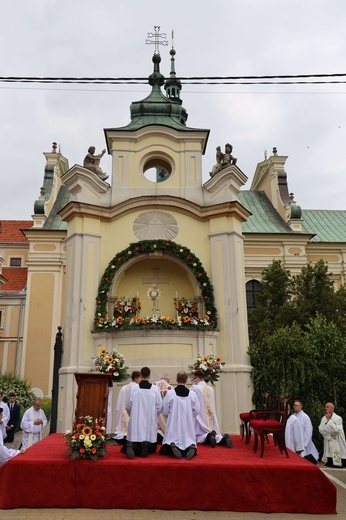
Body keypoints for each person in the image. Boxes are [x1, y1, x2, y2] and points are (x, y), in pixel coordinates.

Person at [121, 366, 162, 459]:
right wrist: (154, 415)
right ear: (149, 376)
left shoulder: (134, 388)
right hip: (150, 420)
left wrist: (133, 414)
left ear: (141, 375)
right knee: (152, 448)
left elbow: (127, 405)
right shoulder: (155, 389)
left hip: (136, 420)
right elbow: (160, 406)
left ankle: (133, 446)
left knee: (134, 440)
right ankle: (145, 446)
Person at [160, 371, 199, 460]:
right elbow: (197, 410)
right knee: (188, 442)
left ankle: (173, 447)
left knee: (166, 447)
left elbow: (165, 410)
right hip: (187, 426)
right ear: (186, 380)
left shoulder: (170, 393)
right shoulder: (192, 394)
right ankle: (191, 447)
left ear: (177, 380)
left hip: (173, 424)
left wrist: (170, 416)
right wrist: (189, 416)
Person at [190, 370, 232, 448]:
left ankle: (209, 436)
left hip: (200, 415)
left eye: (194, 378)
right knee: (217, 435)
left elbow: (189, 399)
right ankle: (224, 439)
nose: (194, 380)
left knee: (200, 435)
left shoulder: (195, 388)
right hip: (210, 415)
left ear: (197, 377)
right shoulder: (210, 388)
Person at [113, 370, 141, 443]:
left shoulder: (124, 388)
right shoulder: (137, 388)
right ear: (136, 378)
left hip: (123, 411)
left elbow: (119, 401)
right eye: (140, 378)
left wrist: (119, 409)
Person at [318, 402, 346, 468]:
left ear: (332, 409)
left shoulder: (338, 418)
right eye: (325, 407)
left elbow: (337, 431)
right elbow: (321, 429)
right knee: (329, 454)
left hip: (338, 440)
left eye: (327, 407)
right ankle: (330, 461)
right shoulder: (323, 418)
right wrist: (329, 433)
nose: (325, 408)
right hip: (329, 438)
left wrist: (329, 421)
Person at [293, 400, 319, 464]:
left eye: (296, 405)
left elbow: (308, 430)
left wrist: (304, 443)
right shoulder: (293, 416)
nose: (294, 406)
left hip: (303, 441)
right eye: (294, 405)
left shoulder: (305, 417)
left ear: (301, 406)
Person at [153, 372, 172, 442]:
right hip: (164, 412)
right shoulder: (170, 387)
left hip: (154, 411)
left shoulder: (154, 385)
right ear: (168, 380)